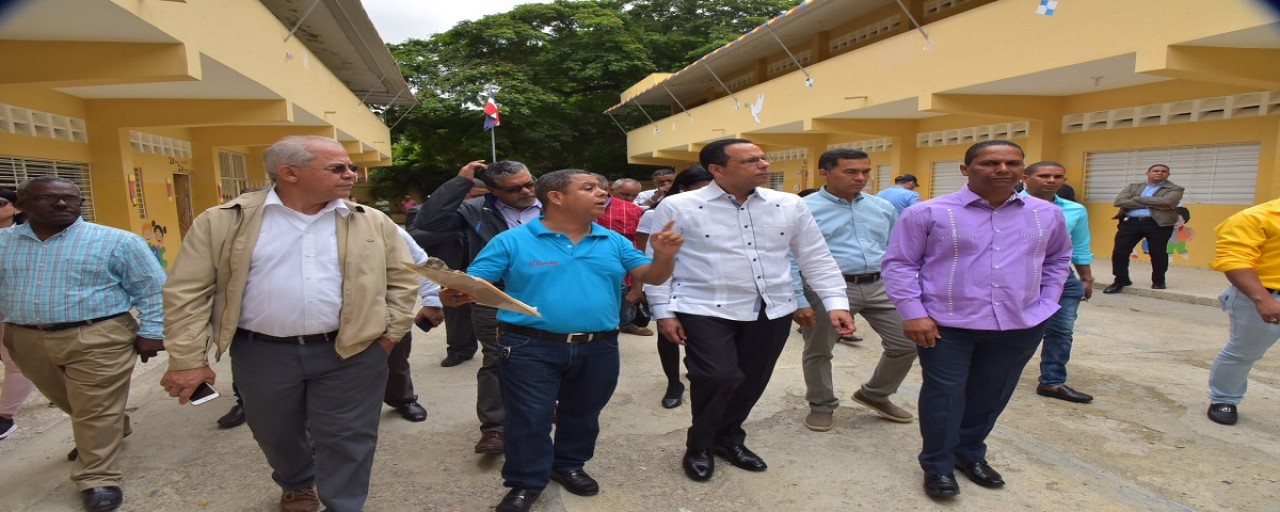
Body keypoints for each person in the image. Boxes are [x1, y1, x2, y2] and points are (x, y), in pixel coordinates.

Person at [161, 135, 418, 512]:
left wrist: (389, 336)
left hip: (353, 352)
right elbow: (187, 293)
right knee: (275, 431)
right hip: (262, 352)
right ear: (289, 173)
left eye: (350, 167)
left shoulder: (371, 221)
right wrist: (187, 359)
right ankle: (296, 482)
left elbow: (402, 279)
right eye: (338, 168)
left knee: (348, 437)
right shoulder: (225, 221)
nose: (352, 174)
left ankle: (344, 504)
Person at [448, 168, 682, 512]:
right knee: (530, 417)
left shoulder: (613, 240)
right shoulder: (512, 241)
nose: (603, 193)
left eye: (603, 188)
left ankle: (569, 464)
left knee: (583, 413)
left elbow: (653, 276)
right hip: (529, 345)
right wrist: (452, 293)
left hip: (598, 346)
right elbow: (472, 285)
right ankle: (526, 482)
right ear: (556, 197)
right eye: (589, 188)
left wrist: (663, 255)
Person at [647, 139, 855, 482]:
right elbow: (659, 260)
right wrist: (662, 311)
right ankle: (699, 445)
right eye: (750, 161)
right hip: (704, 306)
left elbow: (815, 257)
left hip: (770, 307)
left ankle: (727, 438)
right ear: (717, 169)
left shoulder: (787, 205)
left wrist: (835, 303)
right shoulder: (678, 207)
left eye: (763, 158)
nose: (764, 165)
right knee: (717, 376)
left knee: (752, 381)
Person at [882, 140, 1071, 499]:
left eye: (1013, 162)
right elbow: (900, 264)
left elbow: (1058, 258)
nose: (1003, 169)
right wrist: (913, 313)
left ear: (1022, 169)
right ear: (966, 170)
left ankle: (968, 454)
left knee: (990, 395)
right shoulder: (928, 213)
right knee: (945, 395)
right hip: (946, 325)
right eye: (991, 163)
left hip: (1020, 324)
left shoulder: (1047, 214)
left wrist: (1046, 301)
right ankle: (937, 464)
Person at [0, 177, 166, 512]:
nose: (62, 204)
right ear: (23, 204)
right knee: (69, 400)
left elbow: (153, 290)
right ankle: (112, 428)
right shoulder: (3, 242)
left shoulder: (116, 241)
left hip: (98, 335)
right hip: (26, 337)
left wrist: (153, 331)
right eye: (49, 198)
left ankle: (98, 476)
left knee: (93, 406)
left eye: (71, 198)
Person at [414, 159, 542, 454]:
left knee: (551, 354)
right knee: (498, 358)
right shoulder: (475, 210)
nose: (526, 191)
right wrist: (461, 182)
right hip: (493, 295)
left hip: (548, 294)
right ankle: (495, 428)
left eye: (529, 183)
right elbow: (427, 223)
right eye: (515, 189)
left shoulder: (551, 203)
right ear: (493, 191)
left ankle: (545, 407)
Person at [793, 149, 917, 433]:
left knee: (907, 343)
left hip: (880, 285)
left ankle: (875, 394)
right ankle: (821, 405)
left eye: (865, 171)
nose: (861, 178)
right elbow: (789, 255)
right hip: (828, 288)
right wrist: (799, 299)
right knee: (820, 350)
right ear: (824, 173)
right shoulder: (803, 209)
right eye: (851, 172)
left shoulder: (882, 207)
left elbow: (897, 250)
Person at [637, 166, 715, 409]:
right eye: (701, 189)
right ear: (683, 188)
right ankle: (674, 383)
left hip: (704, 285)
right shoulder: (657, 214)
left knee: (700, 337)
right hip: (668, 281)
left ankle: (697, 374)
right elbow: (644, 254)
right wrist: (639, 286)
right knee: (668, 334)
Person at [1021, 162, 1096, 403]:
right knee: (1012, 331)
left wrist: (1086, 278)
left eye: (1057, 176)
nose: (1051, 180)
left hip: (1062, 279)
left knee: (1061, 330)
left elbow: (1080, 246)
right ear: (1026, 178)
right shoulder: (1007, 205)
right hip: (1018, 279)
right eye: (1044, 176)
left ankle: (1052, 382)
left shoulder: (1075, 210)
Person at [1205, 197, 1280, 425]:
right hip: (1265, 294)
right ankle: (1224, 399)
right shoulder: (1254, 218)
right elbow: (1235, 261)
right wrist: (1262, 299)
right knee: (1244, 352)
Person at [406, 178, 487, 368]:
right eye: (476, 197)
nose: (479, 202)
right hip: (450, 270)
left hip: (483, 268)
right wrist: (457, 229)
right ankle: (459, 350)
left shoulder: (487, 214)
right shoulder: (421, 212)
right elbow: (414, 238)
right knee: (457, 313)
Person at [384, 225, 445, 422]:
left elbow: (420, 261)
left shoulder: (376, 223)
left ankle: (402, 398)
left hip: (384, 303)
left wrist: (432, 301)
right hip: (328, 310)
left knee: (396, 355)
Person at [1104, 164, 1185, 293]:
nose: (1159, 173)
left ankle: (1158, 281)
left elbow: (1167, 202)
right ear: (1147, 173)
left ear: (1168, 175)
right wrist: (1154, 202)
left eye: (1163, 171)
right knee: (1120, 251)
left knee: (1158, 253)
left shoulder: (1175, 189)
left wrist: (1136, 199)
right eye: (1155, 171)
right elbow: (1119, 201)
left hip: (1158, 224)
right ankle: (1121, 280)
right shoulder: (1134, 187)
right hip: (1130, 223)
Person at [594, 175, 653, 337]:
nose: (629, 199)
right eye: (624, 194)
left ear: (606, 190)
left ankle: (626, 323)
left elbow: (641, 242)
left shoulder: (635, 211)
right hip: (587, 263)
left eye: (633, 195)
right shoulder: (571, 211)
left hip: (623, 264)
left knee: (625, 293)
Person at [0, 187, 34, 440]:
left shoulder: (25, 239)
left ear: (16, 208)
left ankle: (5, 417)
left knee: (16, 362)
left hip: (12, 313)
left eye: (0, 203)